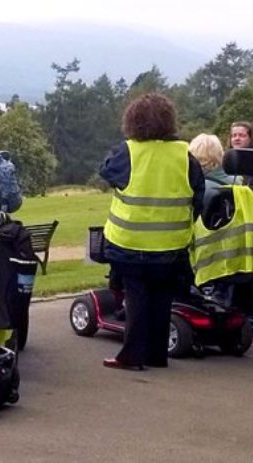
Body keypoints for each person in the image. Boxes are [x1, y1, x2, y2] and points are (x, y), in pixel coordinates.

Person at [97, 93, 204, 371]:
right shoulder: (184, 154)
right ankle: (157, 354)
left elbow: (106, 172)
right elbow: (198, 195)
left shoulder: (128, 151)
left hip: (130, 242)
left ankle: (132, 355)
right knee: (162, 299)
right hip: (171, 244)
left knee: (136, 300)